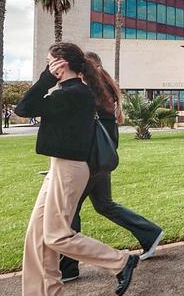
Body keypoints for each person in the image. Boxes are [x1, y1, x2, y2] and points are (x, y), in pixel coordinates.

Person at [14, 42, 139, 296]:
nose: (47, 66)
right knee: (37, 234)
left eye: (50, 62)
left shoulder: (74, 93)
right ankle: (46, 294)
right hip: (60, 166)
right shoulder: (71, 92)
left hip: (70, 169)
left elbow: (23, 108)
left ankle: (120, 261)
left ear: (61, 64)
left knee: (57, 235)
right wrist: (51, 79)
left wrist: (47, 78)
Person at [59, 51, 165, 283]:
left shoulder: (90, 92)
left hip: (91, 160)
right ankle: (150, 233)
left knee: (71, 209)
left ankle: (68, 267)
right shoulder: (105, 87)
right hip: (103, 158)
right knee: (104, 204)